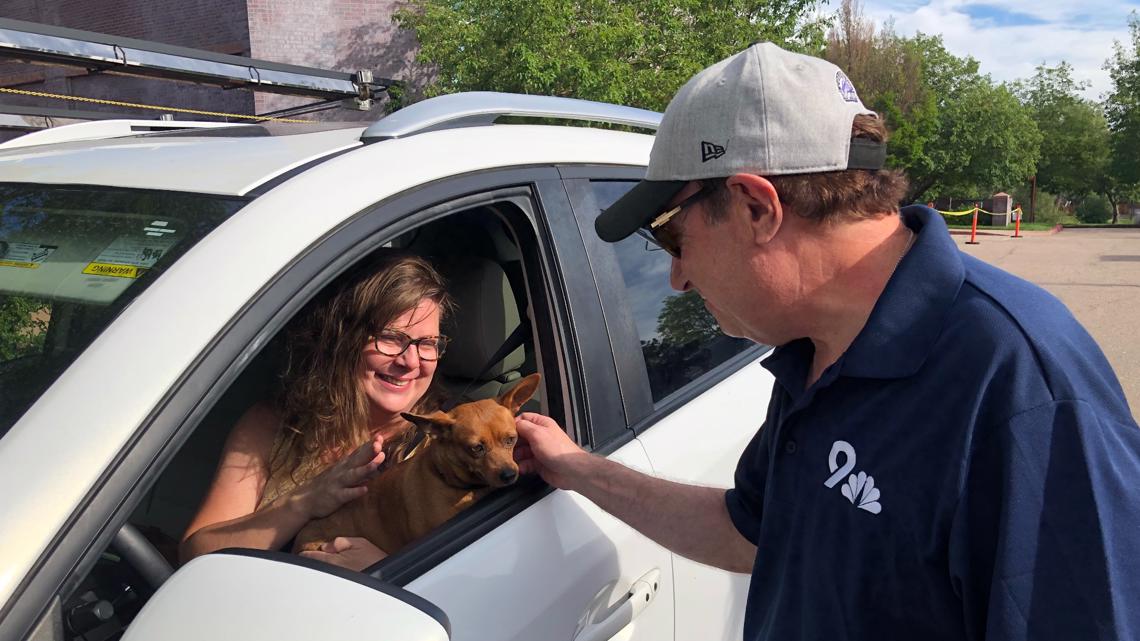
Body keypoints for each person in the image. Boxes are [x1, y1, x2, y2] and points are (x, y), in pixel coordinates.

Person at [514, 42, 1140, 640]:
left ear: (757, 207)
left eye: (673, 238)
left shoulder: (1020, 383)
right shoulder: (816, 346)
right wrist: (580, 470)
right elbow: (754, 532)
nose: (675, 277)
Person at [180, 251, 453, 571]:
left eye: (427, 344)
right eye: (390, 338)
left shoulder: (452, 442)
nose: (410, 362)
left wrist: (384, 572)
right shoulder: (273, 425)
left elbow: (467, 584)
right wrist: (305, 502)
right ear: (342, 337)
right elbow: (195, 556)